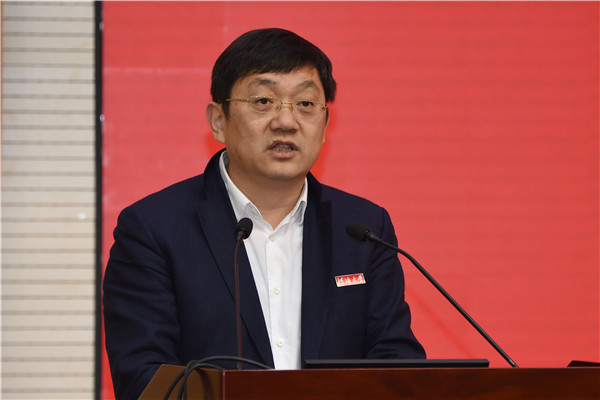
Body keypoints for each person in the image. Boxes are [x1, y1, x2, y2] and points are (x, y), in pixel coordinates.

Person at [103, 27, 425, 400]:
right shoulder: (154, 230)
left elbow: (398, 367)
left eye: (305, 104)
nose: (286, 121)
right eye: (263, 101)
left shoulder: (363, 230)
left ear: (325, 125)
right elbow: (144, 380)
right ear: (218, 120)